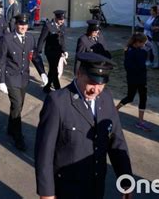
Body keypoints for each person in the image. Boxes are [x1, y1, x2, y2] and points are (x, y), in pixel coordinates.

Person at [35, 52, 133, 199]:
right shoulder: (58, 102)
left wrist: (126, 181)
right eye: (92, 82)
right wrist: (47, 193)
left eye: (101, 84)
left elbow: (116, 141)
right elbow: (44, 152)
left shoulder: (106, 97)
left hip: (96, 185)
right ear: (79, 73)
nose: (96, 89)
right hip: (67, 188)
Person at [0, 13, 48, 151]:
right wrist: (1, 80)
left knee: (18, 106)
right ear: (16, 25)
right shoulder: (7, 39)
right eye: (20, 24)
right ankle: (18, 137)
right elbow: (1, 61)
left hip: (24, 78)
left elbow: (35, 57)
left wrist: (42, 72)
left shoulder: (30, 38)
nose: (23, 27)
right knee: (17, 104)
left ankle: (10, 128)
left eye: (25, 25)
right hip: (11, 77)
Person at [116, 32, 151, 131]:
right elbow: (136, 65)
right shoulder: (136, 52)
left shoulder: (132, 50)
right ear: (138, 42)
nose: (144, 45)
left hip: (136, 78)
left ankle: (140, 121)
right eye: (143, 43)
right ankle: (115, 110)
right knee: (136, 98)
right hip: (136, 79)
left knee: (136, 98)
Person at [36, 10, 68, 93]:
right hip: (50, 52)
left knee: (52, 70)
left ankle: (47, 87)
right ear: (56, 18)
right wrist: (38, 50)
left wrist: (64, 50)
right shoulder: (48, 26)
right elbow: (42, 39)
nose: (62, 21)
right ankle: (58, 89)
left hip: (58, 52)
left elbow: (63, 40)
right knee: (54, 69)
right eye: (60, 19)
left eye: (63, 19)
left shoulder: (63, 26)